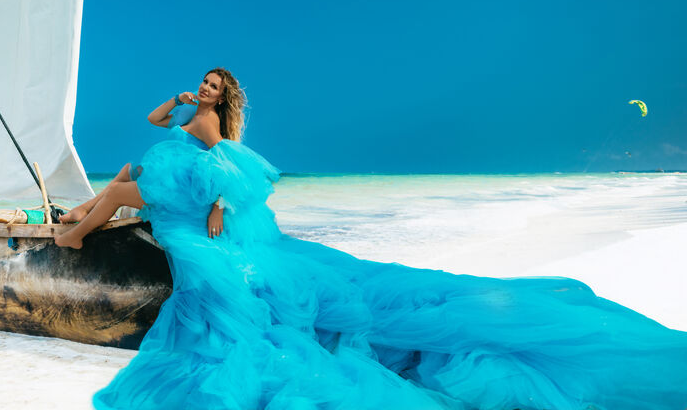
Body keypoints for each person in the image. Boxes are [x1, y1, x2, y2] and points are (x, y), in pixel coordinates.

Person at [58, 68, 687, 410]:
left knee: (119, 192)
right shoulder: (188, 110)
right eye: (205, 83)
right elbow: (153, 121)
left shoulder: (213, 127)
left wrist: (220, 204)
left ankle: (71, 241)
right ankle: (73, 223)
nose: (205, 89)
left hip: (187, 199)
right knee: (122, 180)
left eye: (214, 87)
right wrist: (174, 99)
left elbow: (232, 170)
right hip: (172, 186)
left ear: (226, 98)